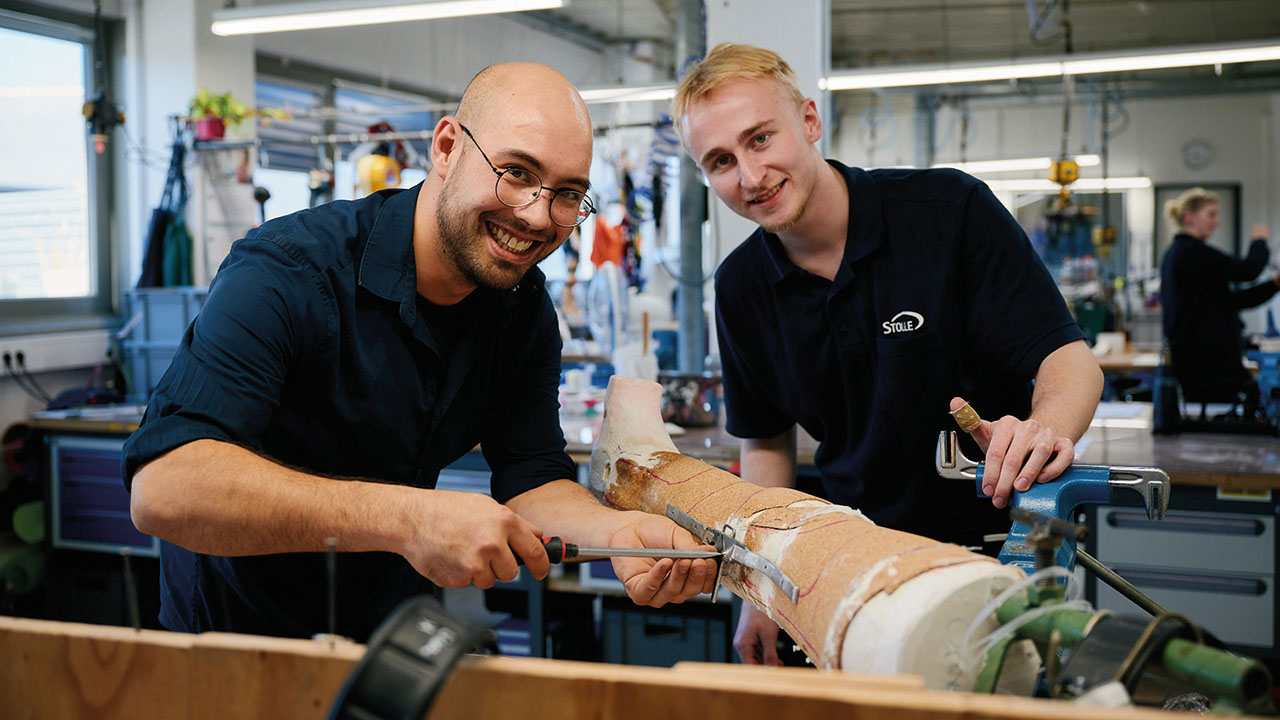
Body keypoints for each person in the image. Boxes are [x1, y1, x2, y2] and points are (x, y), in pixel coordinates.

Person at [123, 63, 715, 641]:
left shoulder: (521, 306)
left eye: (567, 194)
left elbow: (532, 478)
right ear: (447, 145)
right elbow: (166, 488)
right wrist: (409, 518)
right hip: (238, 646)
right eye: (515, 172)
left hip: (392, 638)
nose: (536, 215)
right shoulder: (289, 270)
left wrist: (618, 534)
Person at [672, 44, 1103, 665]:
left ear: (809, 122)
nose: (750, 175)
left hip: (996, 545)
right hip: (854, 561)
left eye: (761, 139)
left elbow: (1068, 359)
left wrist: (1045, 430)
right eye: (720, 161)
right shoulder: (740, 287)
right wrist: (760, 590)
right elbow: (766, 443)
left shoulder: (949, 213)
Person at [1159, 187, 1280, 415]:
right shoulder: (1191, 253)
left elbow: (1232, 301)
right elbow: (1248, 270)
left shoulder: (1182, 254)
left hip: (1205, 362)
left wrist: (1274, 285)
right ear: (1189, 217)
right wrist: (1259, 240)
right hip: (1207, 365)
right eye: (1211, 214)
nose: (1217, 222)